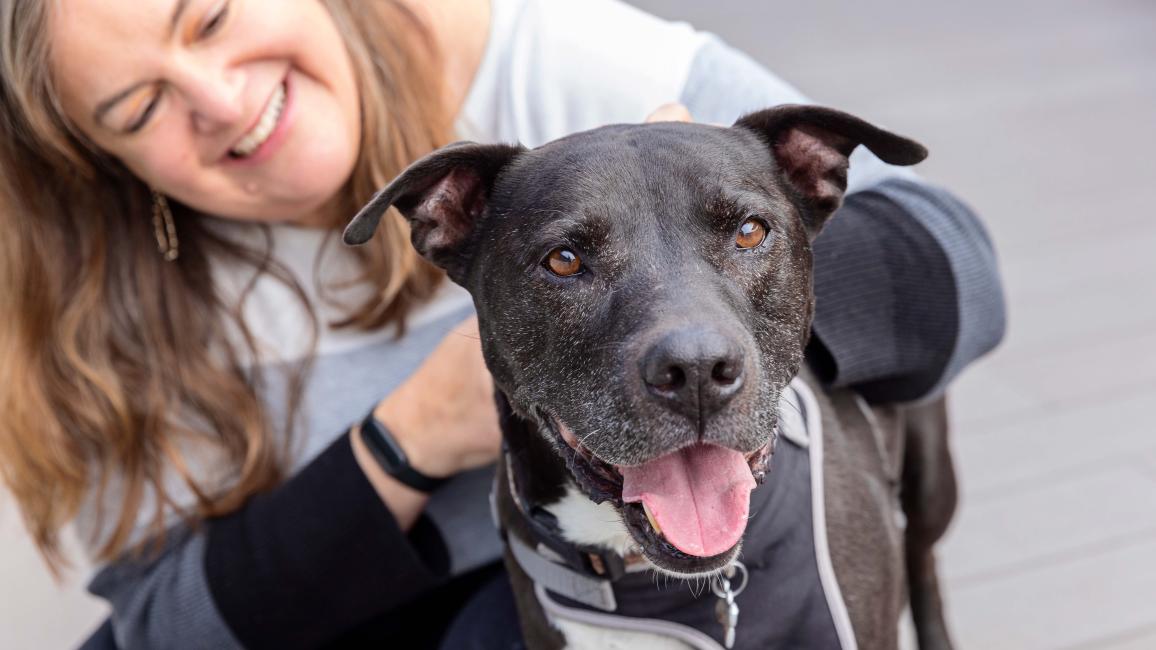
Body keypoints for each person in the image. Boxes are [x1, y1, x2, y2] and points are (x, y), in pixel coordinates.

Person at [0, 0, 1005, 648]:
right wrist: (408, 440)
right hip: (377, 603)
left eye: (211, 16)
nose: (220, 99)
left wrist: (715, 318)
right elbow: (164, 627)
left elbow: (954, 262)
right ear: (100, 164)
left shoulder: (560, 65)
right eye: (138, 107)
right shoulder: (95, 307)